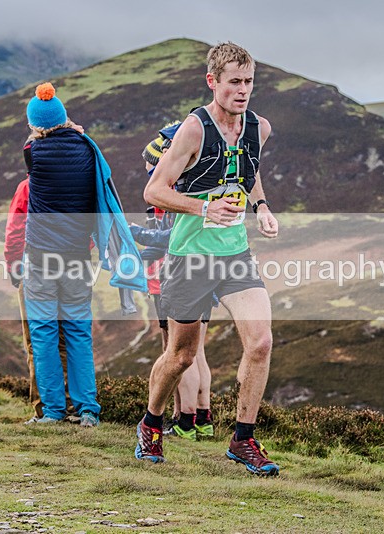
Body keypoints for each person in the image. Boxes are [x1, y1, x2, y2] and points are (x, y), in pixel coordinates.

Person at [136, 42, 280, 476]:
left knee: (261, 342)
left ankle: (242, 440)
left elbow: (249, 171)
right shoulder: (194, 130)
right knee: (181, 356)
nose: (243, 90)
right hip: (190, 257)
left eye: (249, 82)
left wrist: (261, 206)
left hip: (235, 254)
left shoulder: (259, 128)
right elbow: (154, 190)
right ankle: (151, 424)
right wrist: (204, 208)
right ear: (212, 81)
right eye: (234, 82)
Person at [20, 82, 144, 427]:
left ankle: (53, 410)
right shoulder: (89, 151)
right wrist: (74, 130)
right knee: (77, 331)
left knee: (44, 333)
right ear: (64, 117)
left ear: (35, 124)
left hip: (40, 257)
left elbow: (36, 142)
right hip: (76, 255)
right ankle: (88, 408)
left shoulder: (33, 152)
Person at [132, 127, 214, 441]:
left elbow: (170, 238)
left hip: (177, 279)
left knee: (177, 351)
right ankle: (203, 418)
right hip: (205, 272)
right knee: (197, 350)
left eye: (150, 168)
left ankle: (185, 420)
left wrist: (135, 234)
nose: (149, 175)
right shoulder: (198, 186)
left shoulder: (175, 195)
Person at [5, 175, 74, 422]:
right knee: (67, 340)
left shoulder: (28, 187)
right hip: (72, 268)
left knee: (38, 339)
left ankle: (45, 408)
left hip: (34, 269)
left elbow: (15, 230)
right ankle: (72, 406)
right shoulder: (74, 182)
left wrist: (14, 267)